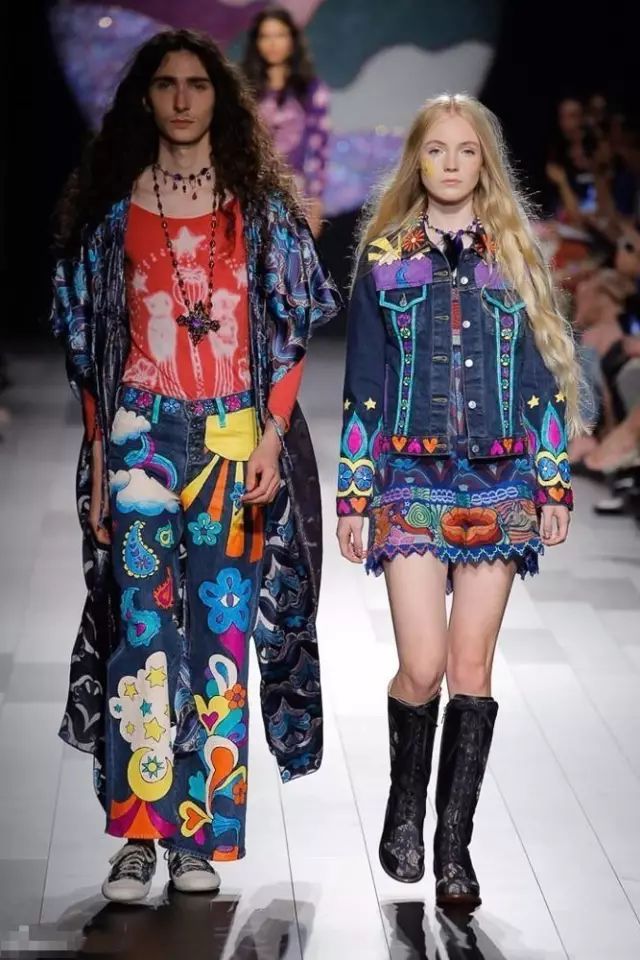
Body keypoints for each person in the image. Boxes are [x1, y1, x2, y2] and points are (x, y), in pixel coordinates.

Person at [51, 28, 339, 904]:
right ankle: (140, 835)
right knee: (143, 633)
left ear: (221, 97)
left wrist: (270, 434)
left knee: (221, 637)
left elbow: (290, 325)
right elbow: (90, 351)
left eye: (198, 84)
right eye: (167, 84)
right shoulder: (113, 213)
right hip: (138, 434)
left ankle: (198, 836)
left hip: (230, 435)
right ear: (145, 97)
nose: (182, 99)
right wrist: (98, 460)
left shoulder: (258, 206)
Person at [336, 94, 584, 908]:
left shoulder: (516, 252)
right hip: (409, 481)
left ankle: (452, 848)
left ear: (485, 162)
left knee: (471, 665)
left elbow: (543, 375)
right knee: (423, 665)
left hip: (501, 479)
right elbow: (365, 385)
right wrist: (353, 495)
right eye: (436, 149)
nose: (450, 164)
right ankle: (405, 804)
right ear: (417, 159)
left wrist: (551, 480)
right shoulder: (385, 258)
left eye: (466, 150)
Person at [242, 6, 330, 238]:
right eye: (265, 36)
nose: (273, 44)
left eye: (280, 35)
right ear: (256, 42)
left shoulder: (310, 90)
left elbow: (318, 149)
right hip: (249, 193)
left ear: (292, 40)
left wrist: (316, 202)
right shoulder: (242, 89)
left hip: (295, 195)